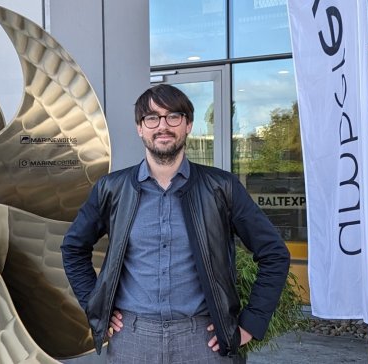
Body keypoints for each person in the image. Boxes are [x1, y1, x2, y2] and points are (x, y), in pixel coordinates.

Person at [61, 84, 290, 363]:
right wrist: (94, 307)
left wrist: (250, 323)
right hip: (132, 339)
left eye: (173, 117)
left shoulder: (222, 187)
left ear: (188, 125)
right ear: (140, 128)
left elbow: (274, 254)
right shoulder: (112, 189)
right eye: (152, 118)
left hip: (204, 341)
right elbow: (73, 247)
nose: (163, 126)